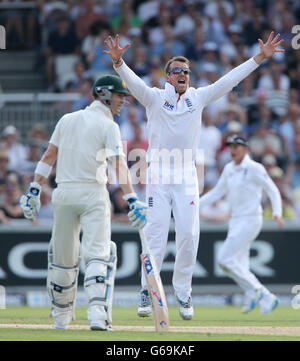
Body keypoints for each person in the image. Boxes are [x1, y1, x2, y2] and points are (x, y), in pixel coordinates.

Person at [103, 32, 284, 320]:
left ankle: (184, 293)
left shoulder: (198, 97)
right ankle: (147, 291)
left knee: (189, 234)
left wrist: (259, 58)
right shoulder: (154, 97)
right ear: (168, 76)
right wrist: (118, 62)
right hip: (159, 174)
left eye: (186, 71)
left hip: (187, 175)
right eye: (177, 71)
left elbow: (229, 81)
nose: (183, 74)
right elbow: (134, 83)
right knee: (155, 236)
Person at [20, 75, 147, 331]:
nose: (124, 100)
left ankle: (60, 319)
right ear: (104, 94)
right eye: (120, 95)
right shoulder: (108, 125)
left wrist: (33, 189)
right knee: (99, 254)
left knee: (62, 258)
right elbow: (118, 163)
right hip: (92, 193)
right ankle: (98, 316)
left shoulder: (67, 119)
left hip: (64, 193)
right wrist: (132, 198)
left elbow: (49, 156)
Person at [199, 135, 283, 314]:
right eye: (231, 146)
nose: (233, 150)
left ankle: (262, 293)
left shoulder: (254, 168)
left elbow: (272, 189)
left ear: (245, 149)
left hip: (251, 219)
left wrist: (277, 212)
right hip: (235, 219)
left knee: (224, 259)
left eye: (237, 146)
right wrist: (193, 205)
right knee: (239, 263)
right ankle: (254, 296)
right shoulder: (229, 168)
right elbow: (217, 193)